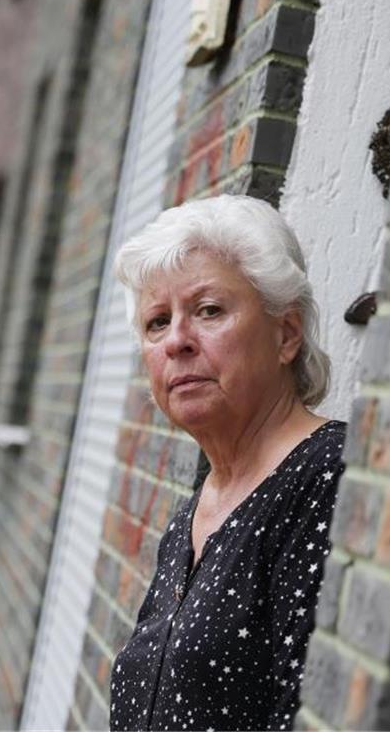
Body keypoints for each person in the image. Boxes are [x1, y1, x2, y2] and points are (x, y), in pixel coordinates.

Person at [108, 195, 344, 732]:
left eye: (209, 310)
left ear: (286, 335)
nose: (176, 342)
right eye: (156, 323)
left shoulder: (329, 478)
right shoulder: (188, 519)